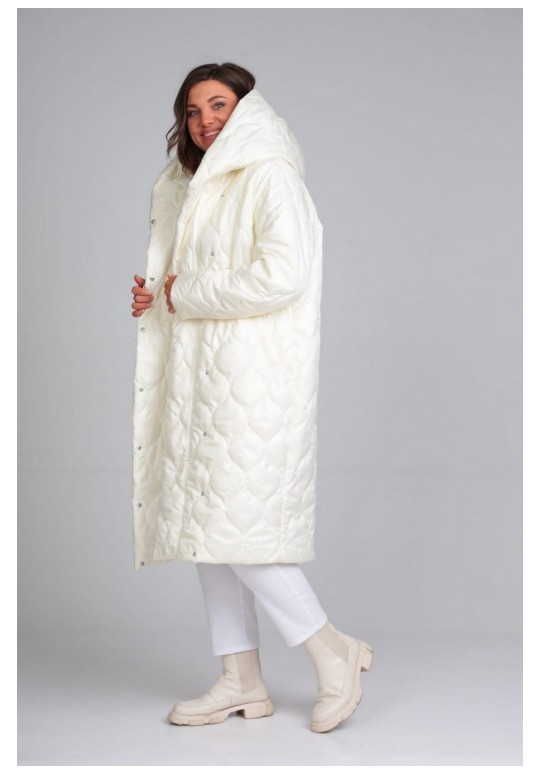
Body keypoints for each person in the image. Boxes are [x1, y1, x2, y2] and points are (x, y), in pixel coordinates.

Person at [131, 62, 373, 733]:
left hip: (253, 379)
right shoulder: (198, 183)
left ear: (247, 107)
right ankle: (241, 679)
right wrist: (158, 296)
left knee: (240, 528)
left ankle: (334, 652)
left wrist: (184, 292)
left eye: (219, 104)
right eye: (192, 110)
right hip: (203, 380)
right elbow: (190, 278)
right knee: (207, 530)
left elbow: (283, 274)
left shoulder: (269, 174)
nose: (204, 120)